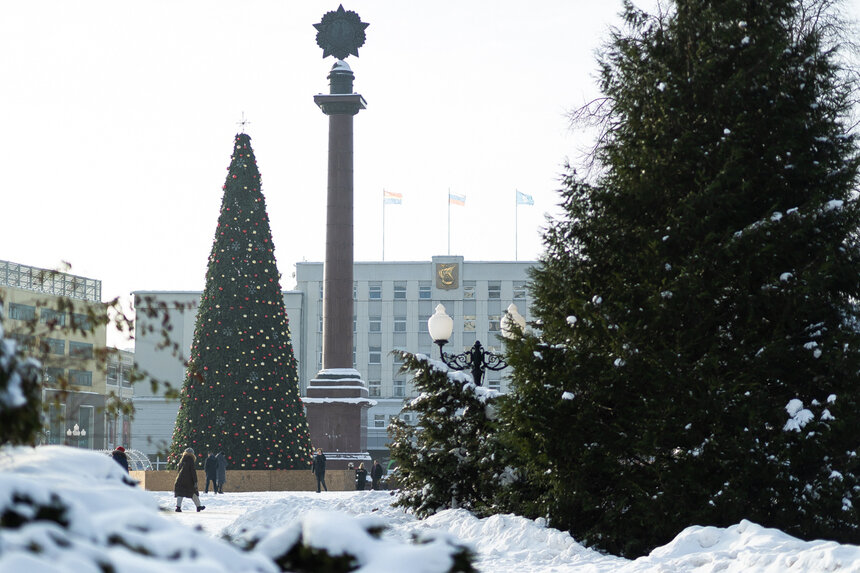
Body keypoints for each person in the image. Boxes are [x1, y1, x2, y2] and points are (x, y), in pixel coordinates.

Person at [174, 447, 205, 512]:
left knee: (180, 493)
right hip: (188, 481)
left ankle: (178, 507)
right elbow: (193, 471)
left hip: (180, 479)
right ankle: (198, 506)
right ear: (192, 454)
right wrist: (195, 481)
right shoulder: (190, 459)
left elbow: (178, 470)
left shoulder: (182, 459)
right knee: (193, 493)